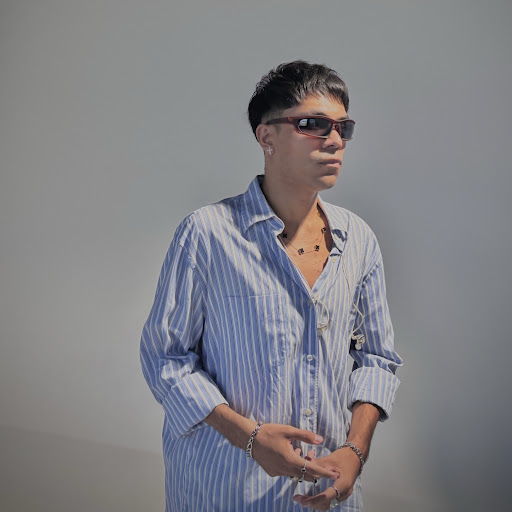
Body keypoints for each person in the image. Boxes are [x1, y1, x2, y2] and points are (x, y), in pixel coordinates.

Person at [140, 60, 403, 511]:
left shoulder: (358, 239)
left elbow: (377, 359)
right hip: (224, 492)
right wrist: (250, 438)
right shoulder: (207, 234)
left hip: (325, 494)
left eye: (343, 127)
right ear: (267, 137)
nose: (334, 140)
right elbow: (165, 358)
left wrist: (355, 452)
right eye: (313, 125)